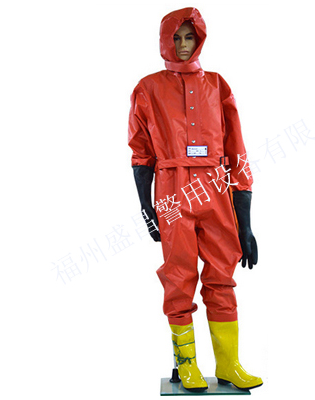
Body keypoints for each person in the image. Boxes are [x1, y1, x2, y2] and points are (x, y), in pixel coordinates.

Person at [128, 7, 262, 392]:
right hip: (172, 191)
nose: (183, 45)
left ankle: (229, 365)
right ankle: (186, 364)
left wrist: (246, 224)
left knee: (222, 276)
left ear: (200, 39)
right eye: (176, 38)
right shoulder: (147, 88)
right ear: (164, 41)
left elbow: (237, 152)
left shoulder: (218, 85)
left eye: (190, 37)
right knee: (179, 276)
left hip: (216, 189)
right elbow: (140, 153)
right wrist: (146, 207)